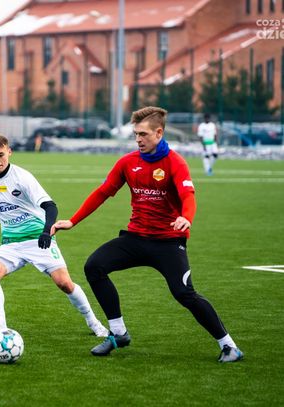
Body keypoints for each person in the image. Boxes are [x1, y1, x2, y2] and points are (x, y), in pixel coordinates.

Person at [52, 106, 243, 363]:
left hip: (168, 242)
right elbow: (103, 192)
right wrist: (73, 221)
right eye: (136, 134)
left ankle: (229, 346)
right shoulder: (128, 162)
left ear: (159, 133)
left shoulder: (175, 162)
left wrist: (186, 218)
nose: (138, 139)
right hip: (135, 238)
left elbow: (188, 195)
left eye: (143, 134)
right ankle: (118, 333)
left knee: (184, 294)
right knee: (94, 266)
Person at [0, 132, 108, 339]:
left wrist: (46, 231)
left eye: (0, 155)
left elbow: (50, 206)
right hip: (10, 243)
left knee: (64, 283)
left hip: (38, 239)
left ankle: (94, 323)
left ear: (9, 152)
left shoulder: (22, 177)